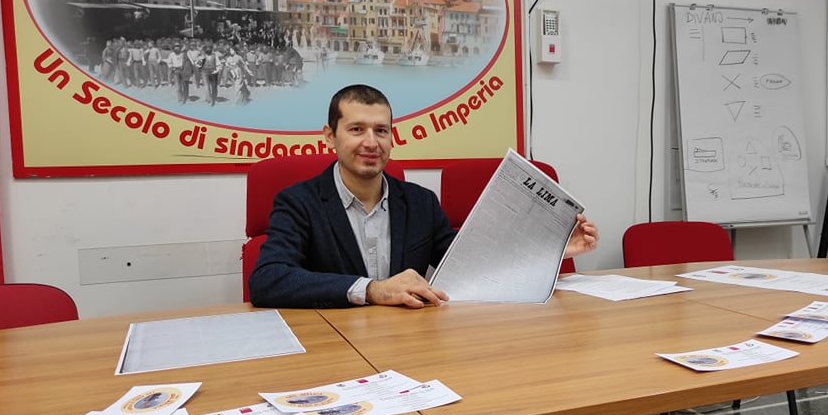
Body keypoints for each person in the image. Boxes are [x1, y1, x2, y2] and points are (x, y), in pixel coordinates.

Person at [247, 84, 598, 311]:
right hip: (334, 348)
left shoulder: (421, 203)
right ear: (330, 136)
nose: (371, 142)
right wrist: (372, 290)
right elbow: (268, 280)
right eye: (356, 129)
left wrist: (553, 250)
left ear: (392, 138)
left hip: (410, 345)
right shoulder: (298, 202)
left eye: (381, 131)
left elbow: (472, 264)